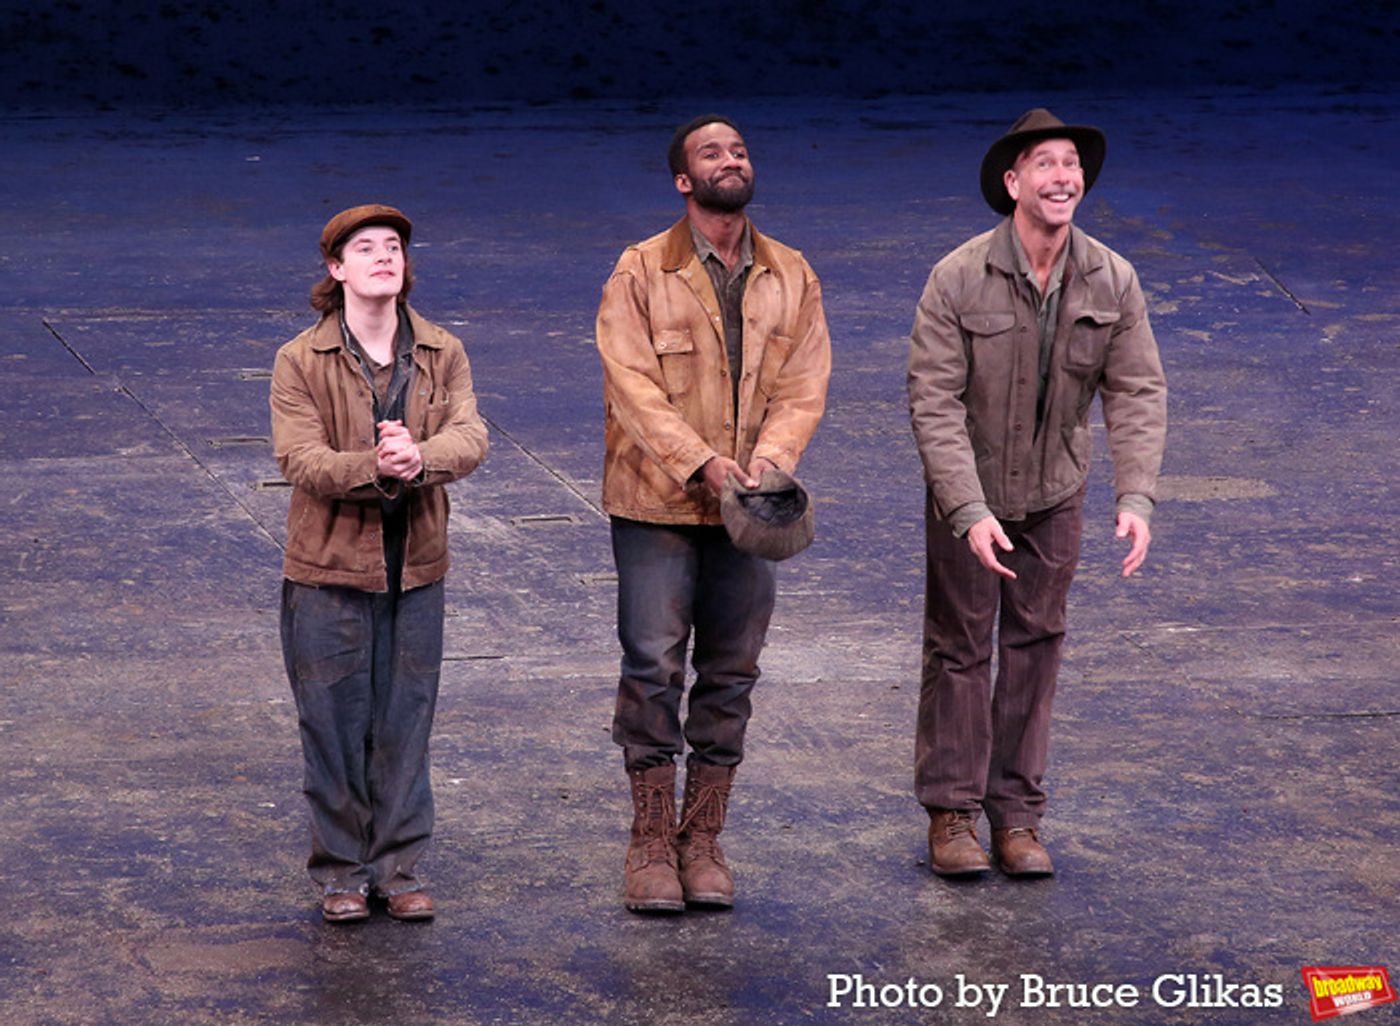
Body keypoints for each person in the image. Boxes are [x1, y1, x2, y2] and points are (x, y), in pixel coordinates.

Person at [907, 109, 1167, 878]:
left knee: (1035, 647)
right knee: (959, 650)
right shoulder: (958, 276)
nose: (1063, 177)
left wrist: (1137, 494)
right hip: (971, 494)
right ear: (1013, 183)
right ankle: (952, 815)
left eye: (1072, 165)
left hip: (1056, 492)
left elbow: (1138, 390)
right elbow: (932, 400)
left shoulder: (1111, 277)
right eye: (1046, 164)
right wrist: (968, 510)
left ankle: (1017, 816)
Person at [595, 115, 832, 913]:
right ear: (682, 181)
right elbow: (630, 383)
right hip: (659, 501)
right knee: (654, 666)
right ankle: (650, 841)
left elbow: (804, 382)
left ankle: (703, 838)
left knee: (731, 672)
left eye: (738, 149)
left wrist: (773, 460)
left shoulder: (791, 272)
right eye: (710, 153)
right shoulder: (640, 269)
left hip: (751, 504)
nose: (730, 159)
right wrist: (700, 461)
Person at [270, 204, 488, 921]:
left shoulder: (442, 351)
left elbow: (472, 435)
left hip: (416, 568)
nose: (384, 257)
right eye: (365, 248)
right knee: (332, 726)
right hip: (328, 573)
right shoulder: (302, 359)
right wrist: (380, 464)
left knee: (406, 722)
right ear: (336, 269)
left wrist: (422, 456)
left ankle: (397, 870)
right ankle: (340, 872)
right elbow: (301, 459)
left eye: (393, 246)